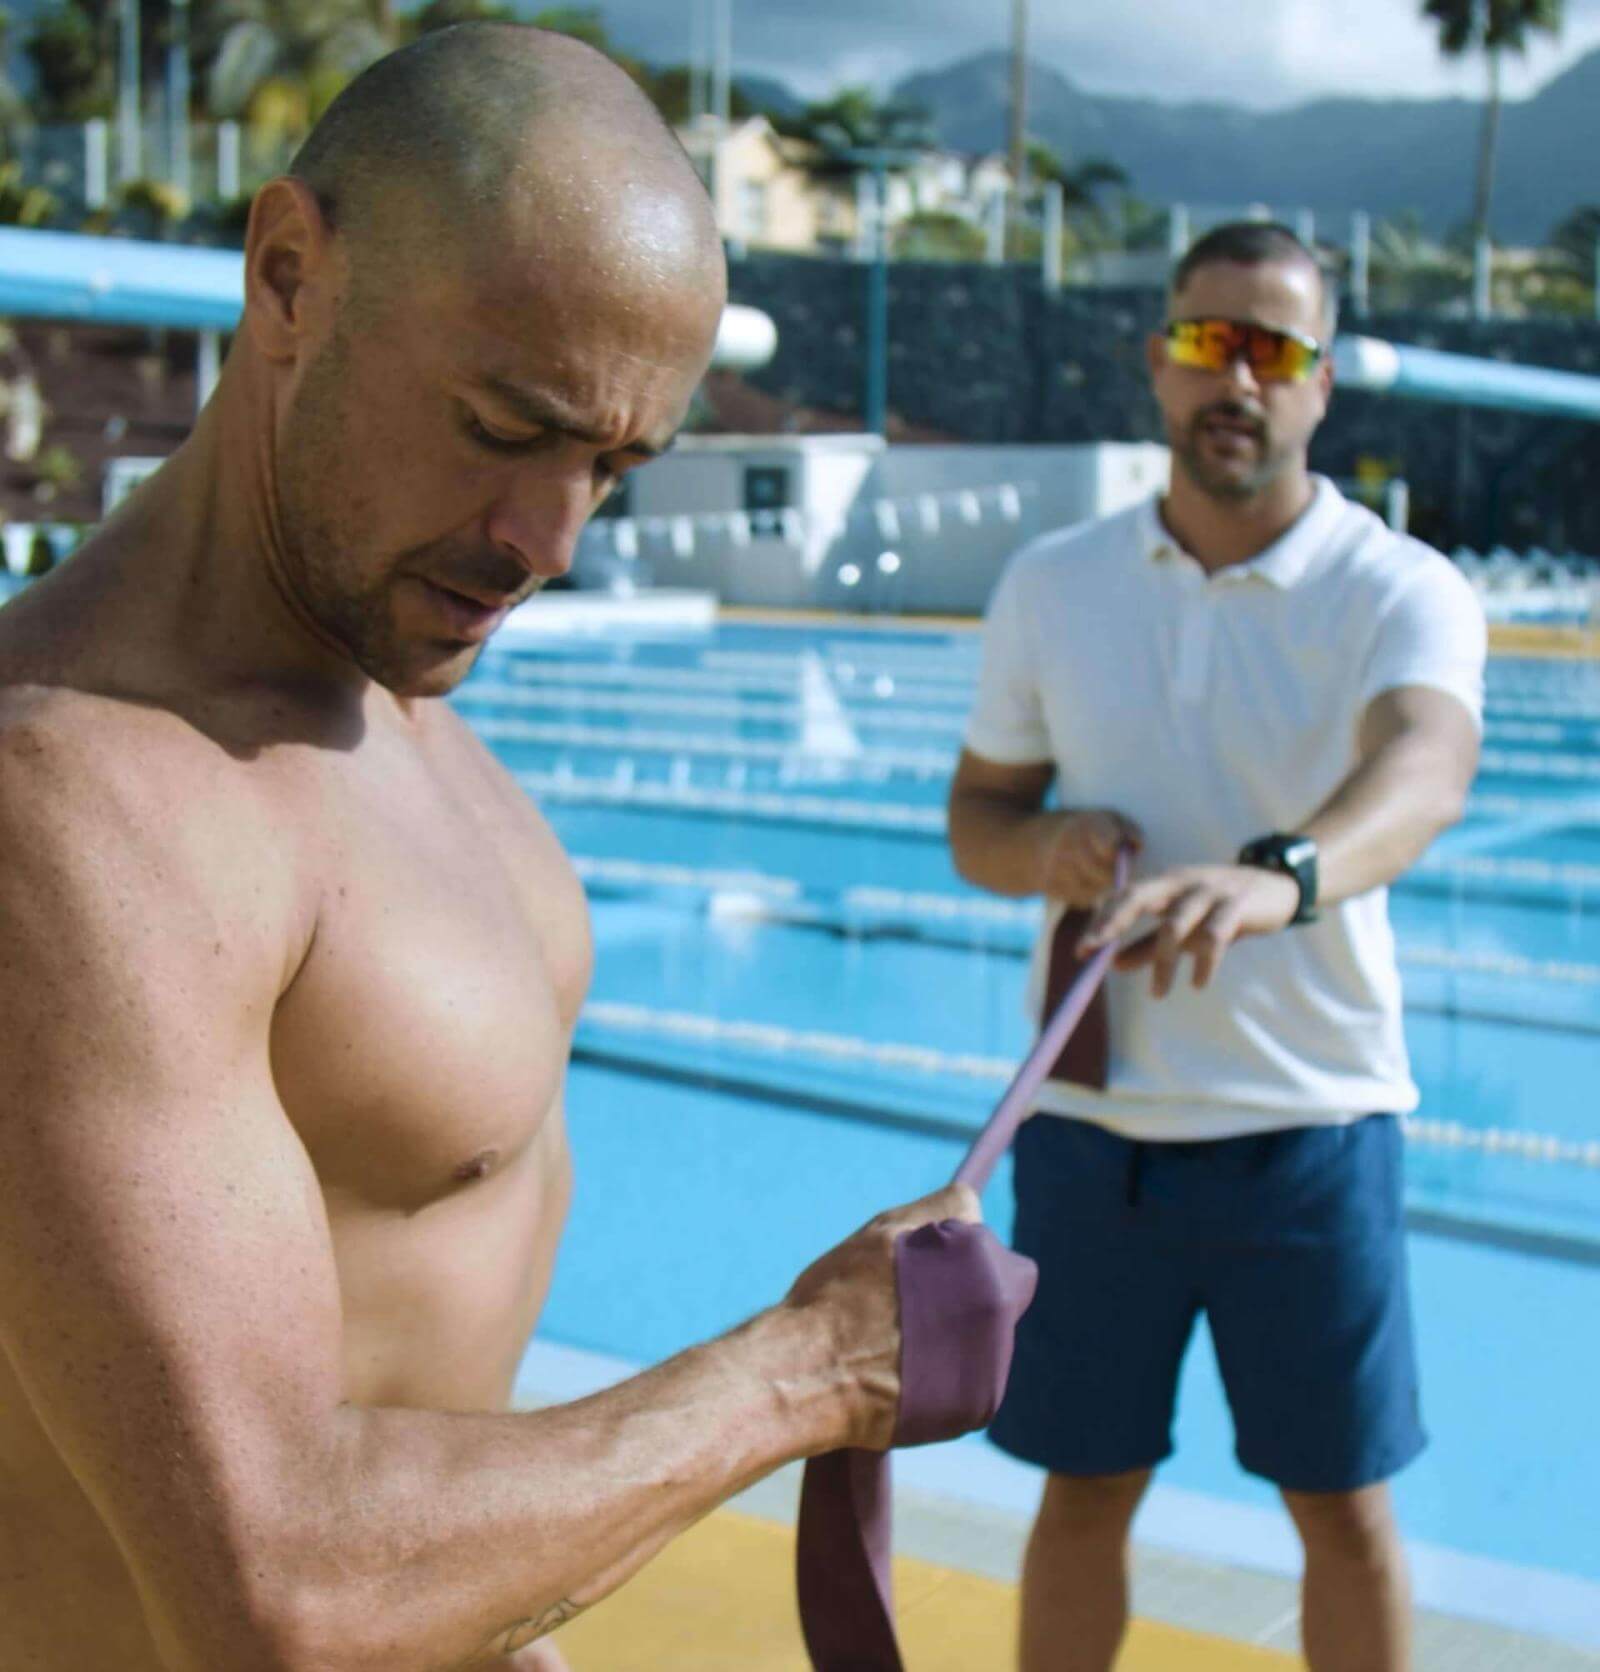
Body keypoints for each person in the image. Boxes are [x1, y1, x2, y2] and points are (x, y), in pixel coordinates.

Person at [0, 27, 991, 1672]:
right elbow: (276, 1589)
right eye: (503, 423)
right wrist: (812, 1372)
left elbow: (415, 1373)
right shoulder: (78, 808)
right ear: (291, 274)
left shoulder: (402, 712)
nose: (552, 544)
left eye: (609, 465)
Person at [947, 221, 1486, 1672]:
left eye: (1275, 349)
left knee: (1341, 1508)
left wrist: (1282, 880)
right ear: (1158, 361)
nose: (1236, 378)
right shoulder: (1054, 584)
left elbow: (1427, 770)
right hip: (1090, 1131)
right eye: (1207, 343)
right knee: (1083, 1490)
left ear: (1320, 388)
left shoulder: (1397, 588)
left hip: (1310, 1126)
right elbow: (978, 820)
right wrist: (1039, 849)